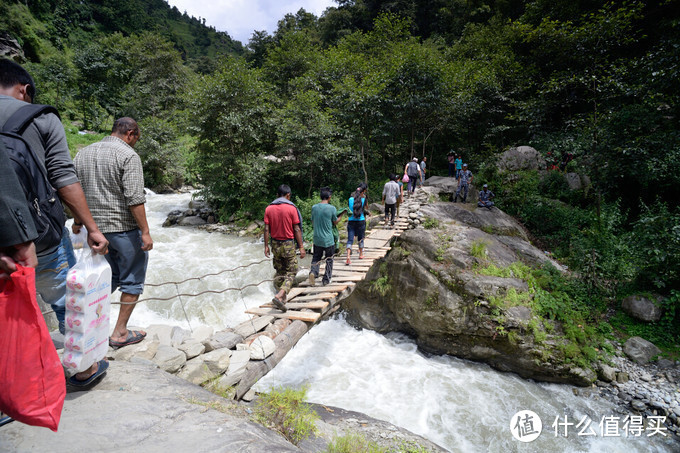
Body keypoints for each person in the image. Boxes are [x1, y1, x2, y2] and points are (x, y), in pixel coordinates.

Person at [0, 59, 108, 385]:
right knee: (65, 298)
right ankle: (84, 368)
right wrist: (90, 226)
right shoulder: (38, 117)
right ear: (24, 89)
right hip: (37, 236)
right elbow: (62, 175)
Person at [74, 117, 152, 349]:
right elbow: (135, 199)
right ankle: (119, 333)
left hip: (95, 233)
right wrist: (145, 231)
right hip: (124, 231)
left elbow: (74, 191)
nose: (134, 143)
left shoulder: (82, 154)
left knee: (105, 278)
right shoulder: (128, 155)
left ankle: (87, 327)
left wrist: (78, 221)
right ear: (130, 133)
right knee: (131, 281)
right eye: (135, 139)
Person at [264, 184, 305, 312]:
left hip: (275, 244)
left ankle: (281, 300)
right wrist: (301, 247)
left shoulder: (268, 209)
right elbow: (297, 228)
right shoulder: (291, 208)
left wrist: (266, 246)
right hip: (288, 244)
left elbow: (266, 229)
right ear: (288, 195)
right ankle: (280, 294)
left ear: (277, 195)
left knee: (280, 271)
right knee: (292, 271)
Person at [308, 187, 344, 287]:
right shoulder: (332, 208)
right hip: (328, 239)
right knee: (329, 259)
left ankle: (313, 272)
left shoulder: (314, 207)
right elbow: (335, 221)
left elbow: (312, 221)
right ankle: (326, 280)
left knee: (316, 257)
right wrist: (341, 216)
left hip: (317, 238)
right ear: (329, 197)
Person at [346, 183, 367, 265]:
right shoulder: (363, 200)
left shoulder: (350, 199)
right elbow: (363, 209)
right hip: (361, 221)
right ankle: (361, 254)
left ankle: (348, 256)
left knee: (350, 239)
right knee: (361, 238)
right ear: (362, 192)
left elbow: (349, 208)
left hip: (351, 221)